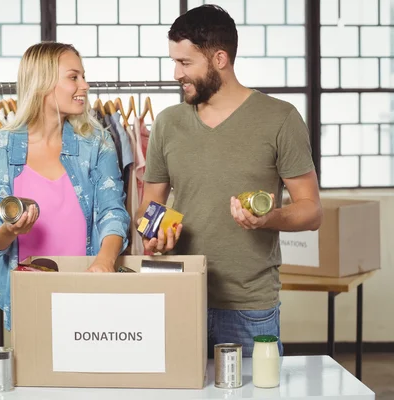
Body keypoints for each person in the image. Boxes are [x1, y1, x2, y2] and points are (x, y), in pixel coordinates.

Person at [138, 5, 323, 357]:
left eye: (185, 63)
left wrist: (268, 219)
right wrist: (153, 234)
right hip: (181, 294)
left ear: (220, 58)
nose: (176, 73)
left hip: (249, 305)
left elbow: (311, 211)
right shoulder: (167, 122)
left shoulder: (280, 118)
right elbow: (151, 205)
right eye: (174, 62)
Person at [0, 42, 130, 331]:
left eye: (83, 76)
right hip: (27, 299)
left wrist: (105, 262)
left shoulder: (96, 145)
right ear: (43, 83)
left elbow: (113, 213)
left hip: (88, 295)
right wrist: (8, 231)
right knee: (35, 377)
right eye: (74, 77)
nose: (85, 84)